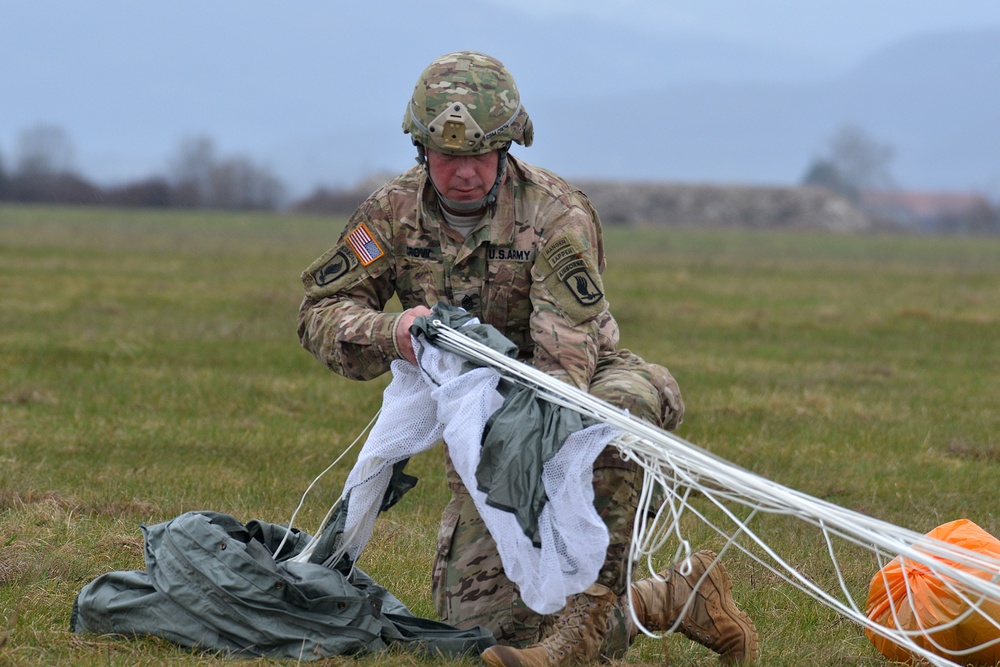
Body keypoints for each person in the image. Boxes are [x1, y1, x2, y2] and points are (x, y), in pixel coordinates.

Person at [298, 51, 759, 666]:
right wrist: (393, 331)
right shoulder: (390, 214)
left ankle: (582, 635)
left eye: (480, 154)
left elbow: (562, 369)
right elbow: (321, 311)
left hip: (581, 386)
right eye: (447, 155)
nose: (464, 171)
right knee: (486, 639)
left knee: (607, 423)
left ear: (509, 146)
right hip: (479, 422)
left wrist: (517, 472)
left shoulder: (554, 214)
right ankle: (675, 597)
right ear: (420, 149)